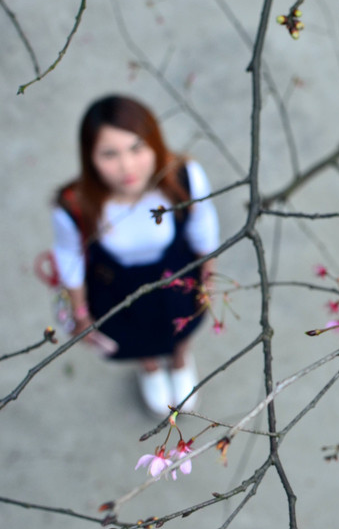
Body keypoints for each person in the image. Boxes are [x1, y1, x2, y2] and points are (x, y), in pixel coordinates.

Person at [51, 95, 219, 417]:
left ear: (154, 143)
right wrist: (81, 313)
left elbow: (203, 229)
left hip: (177, 274)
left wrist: (207, 280)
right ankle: (150, 365)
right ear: (89, 157)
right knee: (135, 336)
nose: (127, 167)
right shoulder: (75, 204)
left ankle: (180, 358)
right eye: (109, 154)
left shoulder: (184, 177)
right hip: (115, 286)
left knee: (182, 325)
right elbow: (68, 255)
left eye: (136, 148)